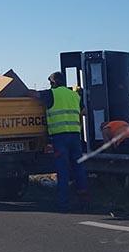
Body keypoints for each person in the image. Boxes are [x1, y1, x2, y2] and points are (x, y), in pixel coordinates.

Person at [29, 72, 89, 212]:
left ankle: (64, 203)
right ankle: (84, 201)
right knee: (79, 168)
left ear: (53, 83)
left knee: (63, 170)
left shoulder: (51, 94)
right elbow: (84, 111)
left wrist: (25, 92)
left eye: (50, 82)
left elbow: (34, 95)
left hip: (60, 137)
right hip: (75, 136)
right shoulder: (74, 95)